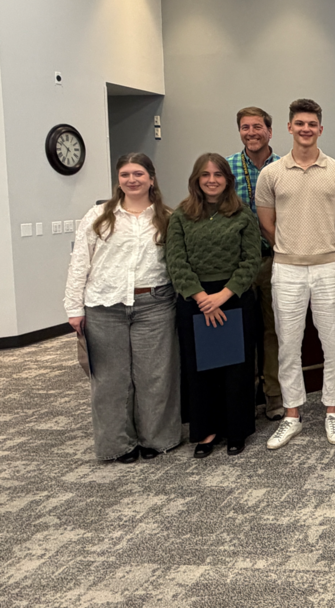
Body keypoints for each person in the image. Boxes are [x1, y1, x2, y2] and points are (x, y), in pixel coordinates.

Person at [64, 153, 180, 463]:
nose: (132, 179)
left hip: (153, 304)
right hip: (104, 306)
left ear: (151, 179)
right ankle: (118, 445)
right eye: (126, 174)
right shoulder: (98, 216)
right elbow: (79, 264)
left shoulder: (167, 216)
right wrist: (74, 308)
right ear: (118, 179)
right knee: (110, 380)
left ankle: (157, 439)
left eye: (139, 173)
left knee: (155, 376)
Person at [256, 98, 335, 450]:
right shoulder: (271, 174)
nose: (305, 129)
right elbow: (267, 225)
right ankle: (292, 415)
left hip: (329, 265)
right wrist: (292, 247)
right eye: (299, 123)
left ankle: (332, 411)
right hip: (286, 268)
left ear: (320, 128)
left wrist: (321, 245)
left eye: (311, 124)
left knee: (333, 343)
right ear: (289, 127)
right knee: (288, 345)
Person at [166, 154, 261, 458]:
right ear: (196, 179)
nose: (211, 180)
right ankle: (206, 431)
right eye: (205, 175)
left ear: (227, 180)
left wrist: (223, 295)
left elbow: (251, 260)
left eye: (218, 174)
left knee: (236, 369)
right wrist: (201, 297)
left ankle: (236, 430)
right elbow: (176, 261)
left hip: (234, 298)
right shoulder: (180, 216)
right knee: (200, 369)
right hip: (195, 300)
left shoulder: (242, 214)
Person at [226, 107, 282, 421]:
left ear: (270, 131)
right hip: (240, 264)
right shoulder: (228, 167)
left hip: (276, 260)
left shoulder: (284, 167)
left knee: (273, 332)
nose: (252, 133)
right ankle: (243, 394)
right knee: (242, 332)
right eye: (245, 127)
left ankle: (273, 396)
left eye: (257, 127)